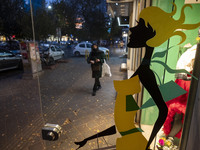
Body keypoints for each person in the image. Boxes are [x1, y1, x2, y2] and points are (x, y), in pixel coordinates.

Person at [75, 4, 200, 150]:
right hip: (129, 140)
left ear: (152, 35)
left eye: (140, 25)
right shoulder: (142, 70)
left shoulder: (145, 73)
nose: (132, 29)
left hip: (134, 144)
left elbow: (163, 111)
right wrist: (88, 139)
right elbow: (122, 125)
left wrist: (147, 146)